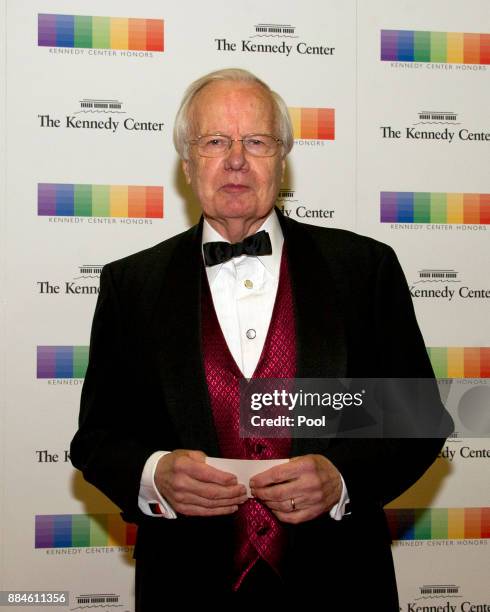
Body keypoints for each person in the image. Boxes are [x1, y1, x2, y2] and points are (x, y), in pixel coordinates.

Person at [70, 68, 448, 608]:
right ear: (186, 162)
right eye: (215, 141)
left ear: (282, 158)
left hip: (340, 584)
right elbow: (97, 438)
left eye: (257, 141)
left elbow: (418, 418)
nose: (236, 159)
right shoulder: (131, 284)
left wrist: (341, 479)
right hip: (184, 586)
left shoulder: (364, 269)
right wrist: (154, 475)